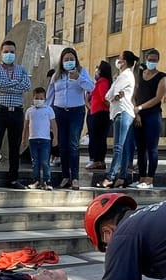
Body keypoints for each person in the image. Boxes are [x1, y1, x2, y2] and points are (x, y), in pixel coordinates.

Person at [0, 40, 31, 190]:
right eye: (6, 52)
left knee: (14, 147)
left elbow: (26, 85)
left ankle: (13, 179)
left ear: (15, 53)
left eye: (12, 52)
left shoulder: (22, 70)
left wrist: (6, 86)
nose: (9, 54)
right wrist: (15, 84)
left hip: (17, 111)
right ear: (1, 53)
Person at [47, 47, 95, 190]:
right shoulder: (56, 75)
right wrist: (47, 114)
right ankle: (65, 176)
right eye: (66, 59)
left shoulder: (82, 72)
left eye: (71, 59)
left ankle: (75, 177)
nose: (69, 62)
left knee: (73, 144)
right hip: (59, 112)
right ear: (62, 61)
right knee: (62, 145)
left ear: (75, 60)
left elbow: (91, 87)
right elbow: (50, 95)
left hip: (76, 112)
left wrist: (78, 78)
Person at [97, 50, 138, 189]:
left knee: (118, 146)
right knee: (124, 146)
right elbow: (109, 95)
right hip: (121, 112)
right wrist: (113, 95)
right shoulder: (122, 76)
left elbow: (111, 94)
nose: (117, 61)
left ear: (124, 61)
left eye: (119, 58)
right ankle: (122, 177)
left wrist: (114, 95)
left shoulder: (125, 76)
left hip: (122, 112)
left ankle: (111, 176)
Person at [132, 49, 166, 189]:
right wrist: (136, 112)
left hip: (152, 115)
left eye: (154, 60)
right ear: (146, 59)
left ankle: (149, 179)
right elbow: (133, 94)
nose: (151, 62)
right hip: (138, 115)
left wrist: (140, 108)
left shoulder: (161, 77)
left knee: (152, 148)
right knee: (140, 148)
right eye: (149, 59)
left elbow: (158, 98)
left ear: (158, 60)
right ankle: (141, 177)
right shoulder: (139, 75)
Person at [22, 87, 58, 190]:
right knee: (35, 161)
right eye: (37, 98)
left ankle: (47, 181)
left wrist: (55, 138)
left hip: (45, 140)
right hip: (33, 139)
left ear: (45, 98)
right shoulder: (29, 111)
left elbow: (54, 124)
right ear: (33, 98)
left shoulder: (48, 110)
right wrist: (24, 139)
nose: (39, 100)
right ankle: (36, 180)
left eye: (41, 98)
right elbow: (26, 126)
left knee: (45, 161)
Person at [85, 61, 113, 171]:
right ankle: (99, 160)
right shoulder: (101, 82)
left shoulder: (103, 82)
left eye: (98, 69)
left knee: (98, 138)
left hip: (100, 113)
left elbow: (104, 98)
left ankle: (98, 160)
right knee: (98, 138)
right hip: (97, 112)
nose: (96, 71)